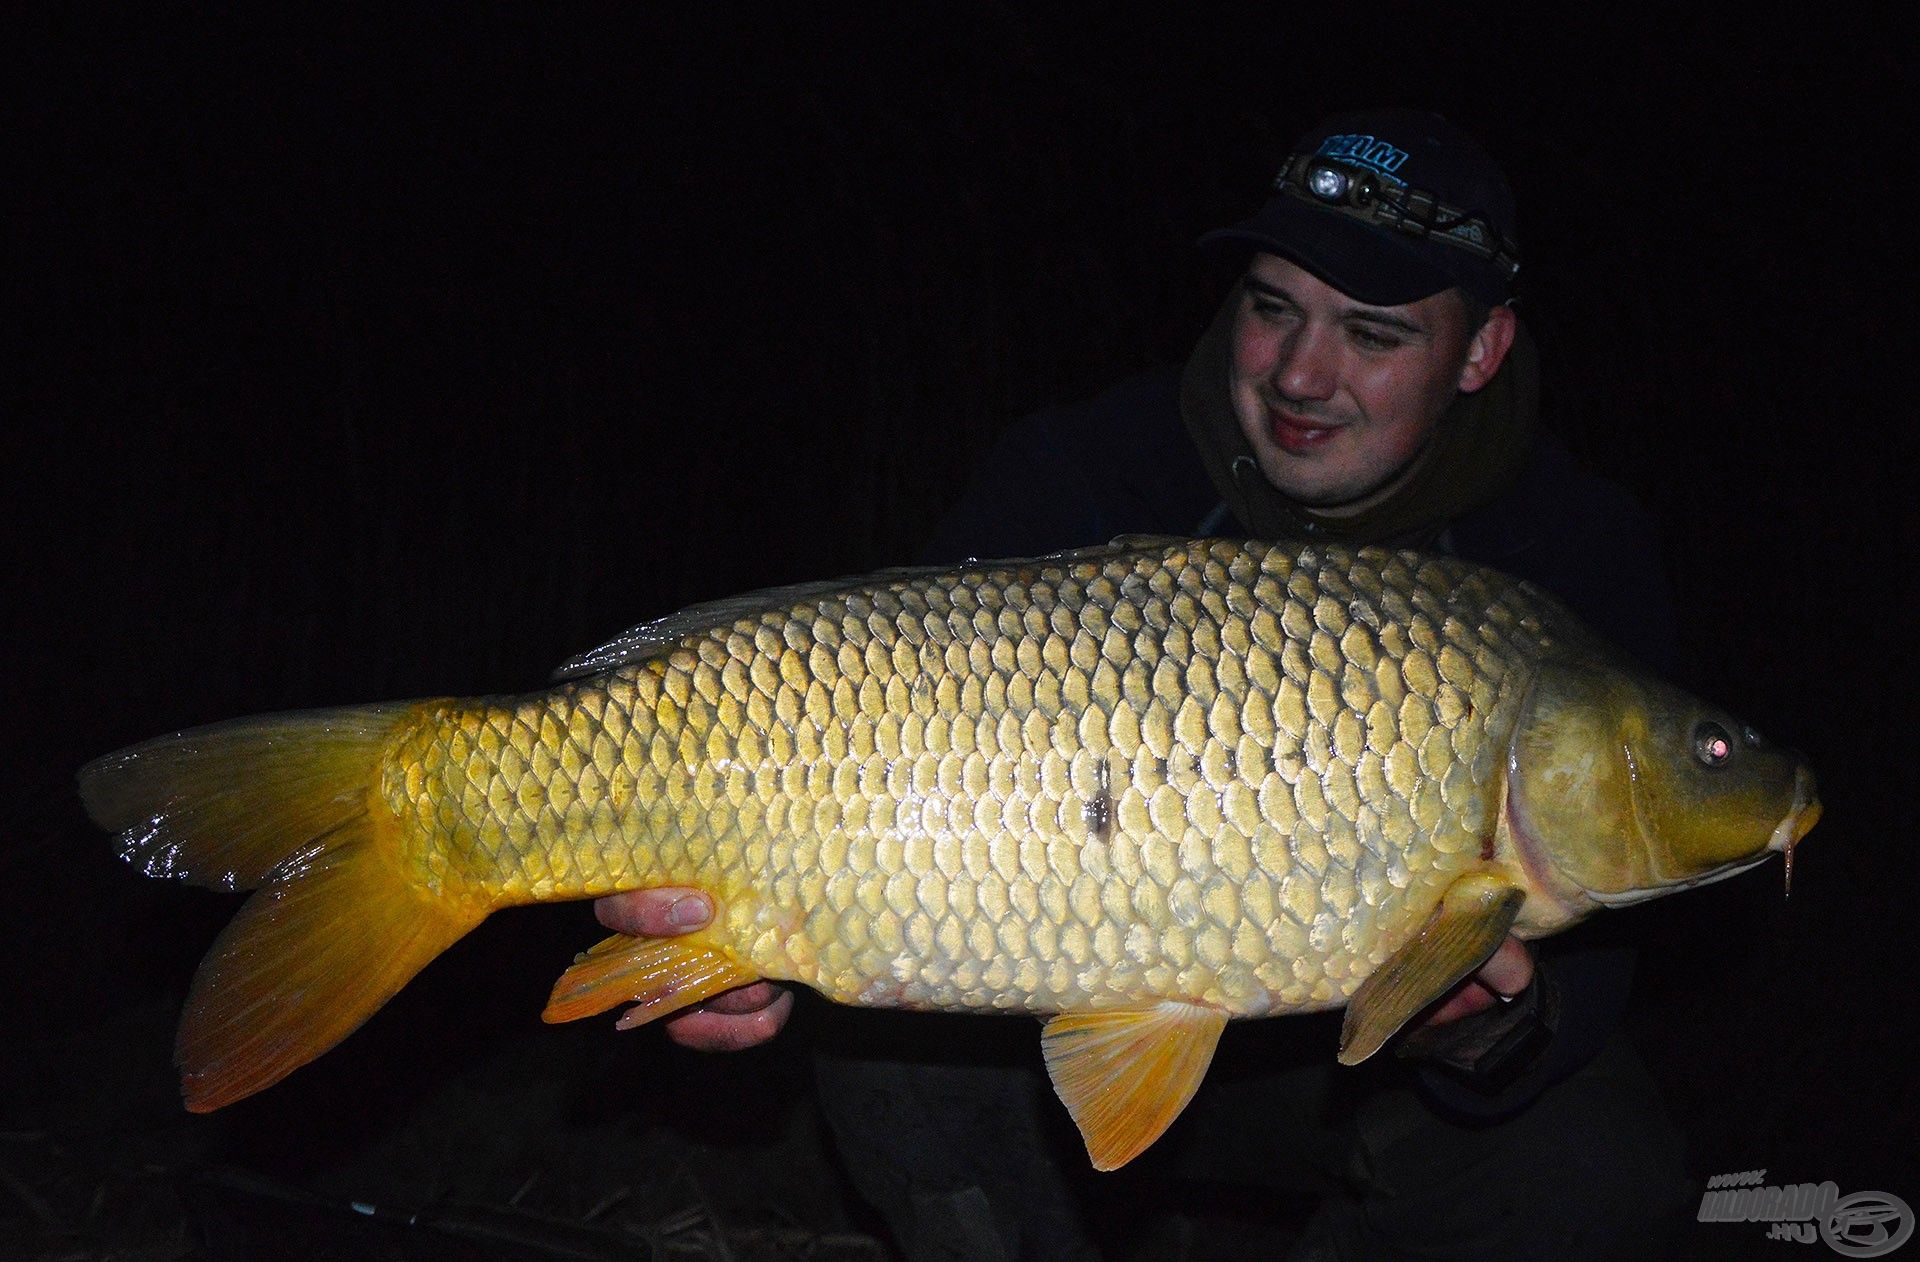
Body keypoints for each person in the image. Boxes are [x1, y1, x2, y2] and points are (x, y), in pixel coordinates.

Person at [595, 109, 1693, 1260]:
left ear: (1481, 351)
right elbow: (863, 741)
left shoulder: (1570, 551)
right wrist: (711, 915)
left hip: (1353, 1080)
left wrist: (1494, 1031)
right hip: (1044, 1022)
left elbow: (1599, 966)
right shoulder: (1080, 467)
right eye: (1274, 310)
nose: (1302, 376)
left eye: (1373, 335)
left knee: (1595, 1169)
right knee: (889, 1060)